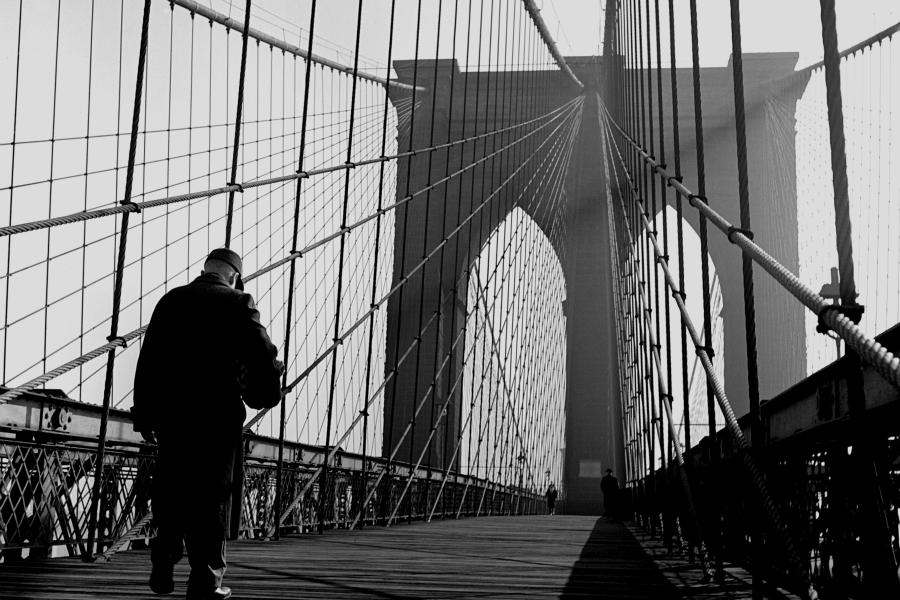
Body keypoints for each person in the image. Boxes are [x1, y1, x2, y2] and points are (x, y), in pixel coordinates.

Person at [131, 248, 284, 600]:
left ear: (205, 270)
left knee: (172, 485)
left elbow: (148, 359)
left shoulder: (171, 300)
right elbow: (262, 354)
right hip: (217, 418)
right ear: (234, 276)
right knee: (213, 495)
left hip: (173, 417)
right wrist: (268, 389)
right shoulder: (238, 302)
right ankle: (206, 580)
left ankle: (163, 557)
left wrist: (144, 414)